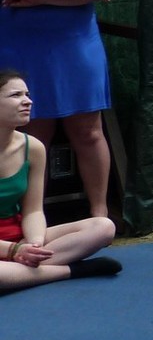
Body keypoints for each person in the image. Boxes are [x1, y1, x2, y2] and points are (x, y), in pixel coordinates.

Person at [0, 0, 116, 218]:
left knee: (89, 132)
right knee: (33, 134)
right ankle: (30, 219)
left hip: (79, 47)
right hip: (24, 50)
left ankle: (100, 215)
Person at [0, 71, 119, 291]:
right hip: (9, 247)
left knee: (103, 227)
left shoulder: (33, 147)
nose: (28, 101)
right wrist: (12, 251)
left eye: (27, 94)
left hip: (18, 236)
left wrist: (34, 243)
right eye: (16, 95)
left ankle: (19, 272)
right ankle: (70, 271)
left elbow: (33, 211)